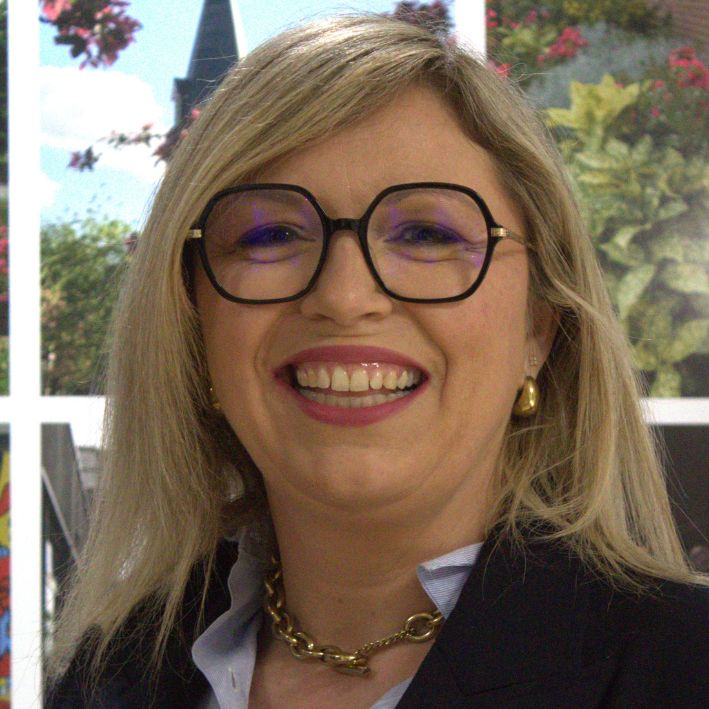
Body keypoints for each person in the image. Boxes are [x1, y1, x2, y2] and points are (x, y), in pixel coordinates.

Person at [46, 13, 707, 709]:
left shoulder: (683, 671)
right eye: (270, 235)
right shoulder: (105, 679)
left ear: (537, 332)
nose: (344, 296)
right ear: (195, 326)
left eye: (425, 232)